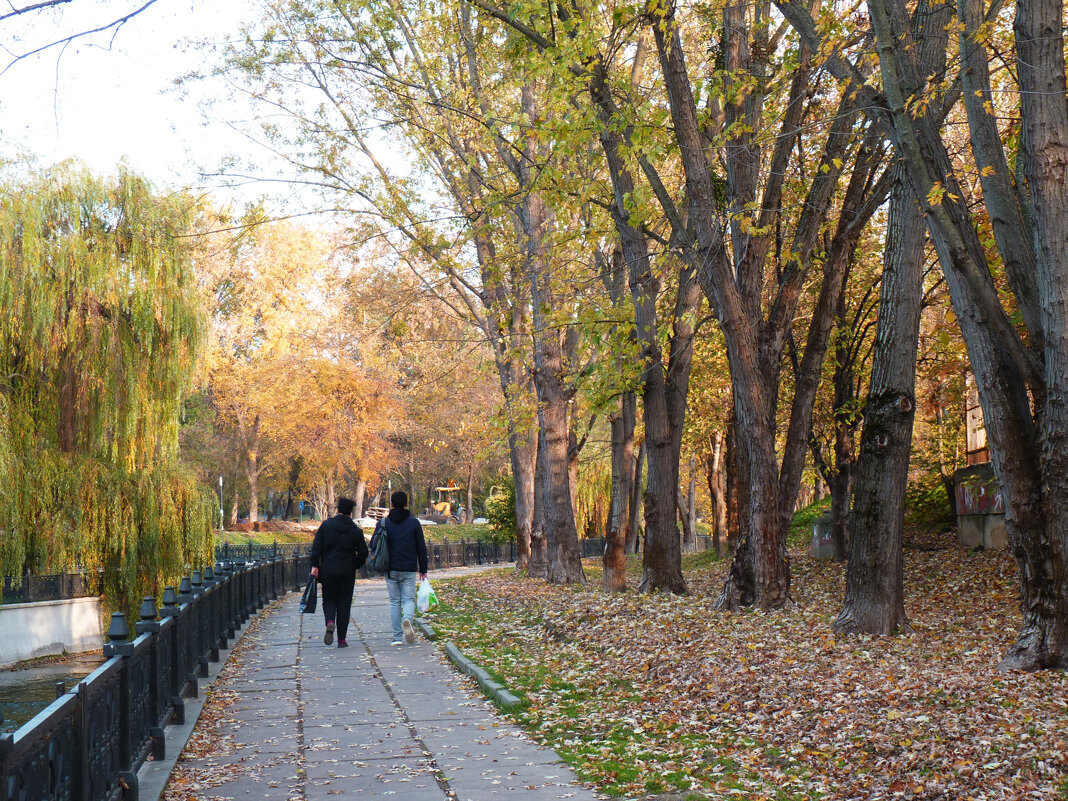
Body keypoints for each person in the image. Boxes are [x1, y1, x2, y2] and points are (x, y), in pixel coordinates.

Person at [310, 497, 368, 648]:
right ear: (350, 512)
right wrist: (355, 564)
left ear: (338, 509)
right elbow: (363, 553)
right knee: (344, 603)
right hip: (347, 570)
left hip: (328, 569)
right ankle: (341, 639)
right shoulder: (355, 531)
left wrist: (315, 565)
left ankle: (330, 621)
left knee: (328, 599)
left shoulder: (326, 526)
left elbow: (316, 547)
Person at [380, 490, 428, 645]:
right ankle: (407, 618)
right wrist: (423, 569)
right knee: (408, 599)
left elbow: (376, 543)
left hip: (391, 568)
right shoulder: (414, 523)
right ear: (406, 503)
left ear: (392, 504)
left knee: (394, 602)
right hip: (408, 568)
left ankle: (397, 637)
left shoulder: (385, 523)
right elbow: (421, 547)